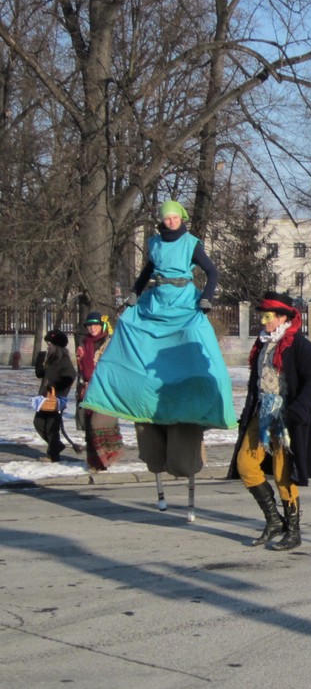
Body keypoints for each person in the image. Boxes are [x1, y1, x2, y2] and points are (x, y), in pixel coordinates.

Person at [83, 200, 235, 508]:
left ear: (182, 218)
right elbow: (146, 273)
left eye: (175, 217)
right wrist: (134, 294)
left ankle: (209, 390)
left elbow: (213, 273)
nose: (170, 221)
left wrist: (206, 298)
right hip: (156, 302)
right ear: (162, 221)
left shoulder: (191, 243)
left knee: (196, 337)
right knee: (128, 324)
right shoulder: (153, 243)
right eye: (166, 218)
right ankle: (122, 388)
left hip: (183, 302)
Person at [228, 292, 311, 550]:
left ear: (282, 317)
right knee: (245, 464)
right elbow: (255, 382)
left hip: (287, 419)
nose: (263, 321)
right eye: (262, 315)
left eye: (267, 316)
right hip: (261, 416)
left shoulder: (300, 345)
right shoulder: (261, 344)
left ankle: (293, 531)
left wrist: (298, 410)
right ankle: (273, 521)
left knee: (284, 474)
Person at [75, 312, 124, 472]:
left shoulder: (109, 343)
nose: (92, 328)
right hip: (88, 389)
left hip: (105, 390)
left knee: (100, 423)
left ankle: (109, 455)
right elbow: (82, 370)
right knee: (89, 427)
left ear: (102, 326)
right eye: (90, 325)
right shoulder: (84, 344)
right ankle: (94, 463)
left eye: (95, 325)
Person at [33, 330, 76, 462]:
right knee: (38, 423)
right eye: (47, 343)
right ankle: (56, 446)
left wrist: (56, 387)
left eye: (50, 343)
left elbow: (70, 376)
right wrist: (40, 360)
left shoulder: (64, 359)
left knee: (52, 427)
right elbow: (40, 374)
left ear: (57, 345)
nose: (48, 345)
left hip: (56, 399)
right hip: (44, 398)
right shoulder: (49, 358)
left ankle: (53, 455)